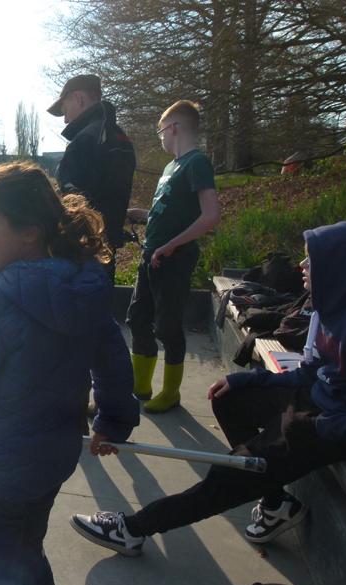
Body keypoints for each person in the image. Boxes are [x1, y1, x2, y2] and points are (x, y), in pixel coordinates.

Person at [69, 221, 346, 557]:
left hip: (335, 427)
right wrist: (249, 379)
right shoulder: (330, 307)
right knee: (231, 398)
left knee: (228, 475)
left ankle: (133, 530)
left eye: (311, 259)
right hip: (320, 403)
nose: (301, 265)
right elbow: (313, 373)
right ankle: (276, 503)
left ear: (339, 267)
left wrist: (320, 426)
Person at [0, 161, 139, 585]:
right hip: (52, 461)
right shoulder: (87, 289)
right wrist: (114, 420)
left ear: (29, 231)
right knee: (28, 552)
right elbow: (113, 360)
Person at [126, 100, 221, 413]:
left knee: (167, 326)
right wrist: (142, 214)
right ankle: (141, 386)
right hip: (150, 257)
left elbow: (210, 216)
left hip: (174, 260)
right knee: (138, 318)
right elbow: (170, 212)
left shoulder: (197, 163)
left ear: (174, 128)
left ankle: (170, 393)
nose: (161, 138)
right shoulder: (170, 168)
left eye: (161, 132)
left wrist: (171, 245)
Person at [47, 74, 136, 279]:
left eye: (64, 111)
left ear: (78, 98)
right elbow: (112, 193)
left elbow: (72, 202)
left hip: (83, 251)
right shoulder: (119, 136)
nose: (66, 120)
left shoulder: (85, 139)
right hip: (107, 247)